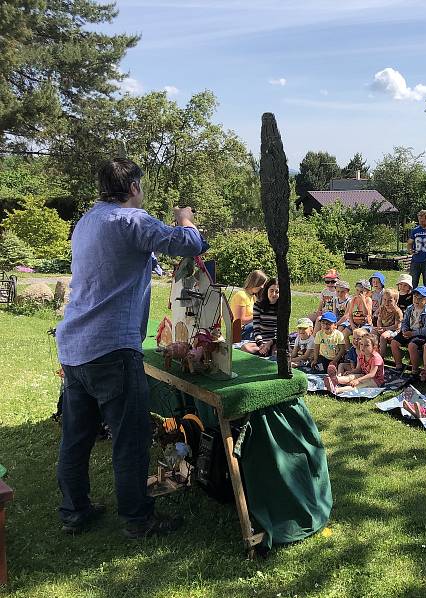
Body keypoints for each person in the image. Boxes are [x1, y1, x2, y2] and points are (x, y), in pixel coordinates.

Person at [56, 158, 206, 537]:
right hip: (112, 348)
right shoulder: (132, 220)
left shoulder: (86, 222)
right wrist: (184, 217)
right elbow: (191, 243)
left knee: (77, 436)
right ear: (135, 186)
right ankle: (138, 520)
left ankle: (74, 511)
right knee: (132, 436)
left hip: (74, 345)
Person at [391, 286, 426, 373]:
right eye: (415, 297)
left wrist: (412, 334)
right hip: (409, 331)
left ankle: (415, 370)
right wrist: (404, 330)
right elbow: (404, 321)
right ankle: (398, 366)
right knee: (394, 343)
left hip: (420, 335)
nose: (417, 300)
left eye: (420, 299)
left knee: (412, 346)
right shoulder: (410, 308)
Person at [241, 278, 280, 357]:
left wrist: (270, 343)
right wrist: (261, 345)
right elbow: (256, 328)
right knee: (245, 347)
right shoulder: (258, 305)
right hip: (262, 340)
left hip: (275, 340)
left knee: (276, 354)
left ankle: (266, 352)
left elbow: (281, 331)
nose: (274, 294)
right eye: (271, 290)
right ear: (267, 290)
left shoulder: (282, 308)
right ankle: (263, 351)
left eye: (277, 291)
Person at [230, 270, 267, 341]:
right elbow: (240, 321)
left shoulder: (253, 296)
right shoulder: (241, 295)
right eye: (261, 284)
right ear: (255, 283)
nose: (262, 287)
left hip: (250, 328)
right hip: (240, 332)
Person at [373, 289, 403, 357]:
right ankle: (374, 353)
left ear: (396, 301)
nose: (386, 303)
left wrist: (384, 329)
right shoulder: (382, 308)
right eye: (384, 300)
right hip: (384, 327)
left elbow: (397, 326)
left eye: (390, 301)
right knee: (373, 332)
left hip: (394, 330)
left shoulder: (397, 312)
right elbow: (379, 320)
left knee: (383, 337)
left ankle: (381, 356)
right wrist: (379, 327)